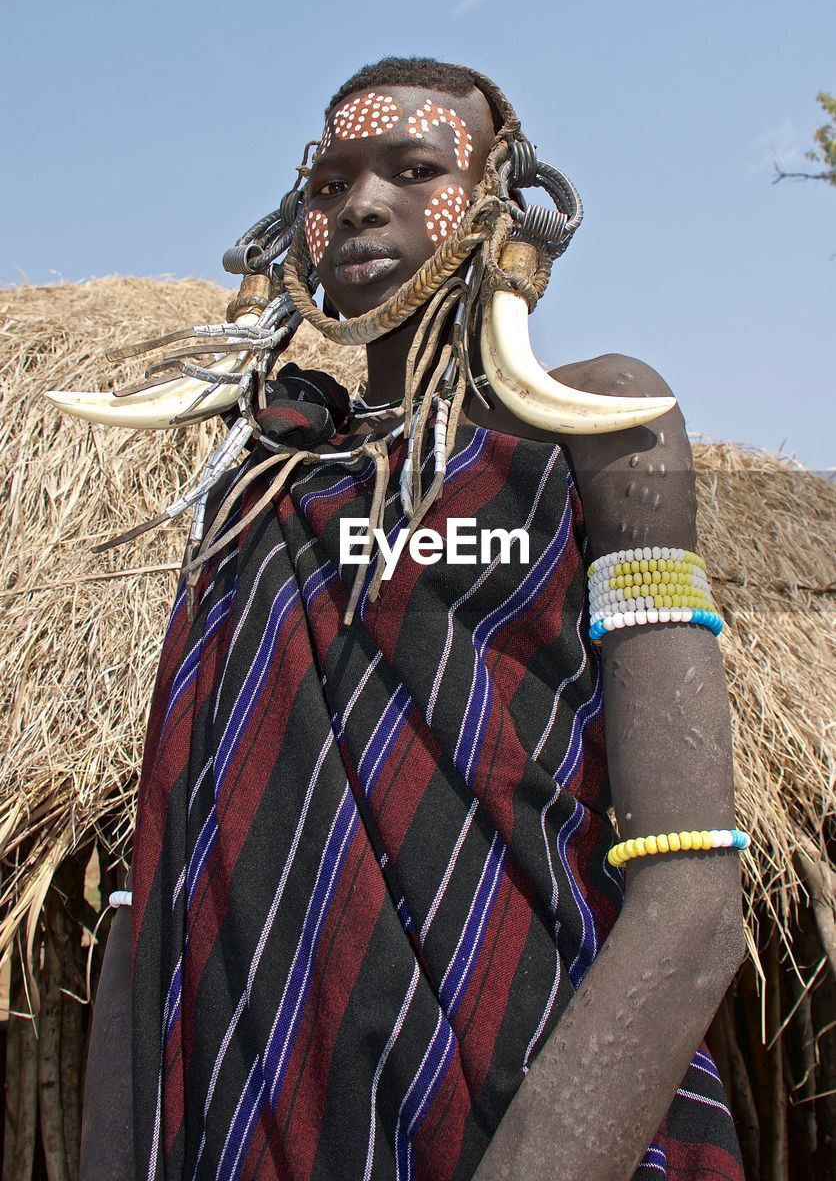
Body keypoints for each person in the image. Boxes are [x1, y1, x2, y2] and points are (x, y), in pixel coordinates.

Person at [77, 57, 748, 1181]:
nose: (362, 203)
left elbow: (692, 886)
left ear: (497, 209)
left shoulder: (599, 429)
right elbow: (164, 861)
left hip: (525, 1081)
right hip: (258, 1099)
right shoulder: (259, 477)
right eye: (330, 179)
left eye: (412, 169)